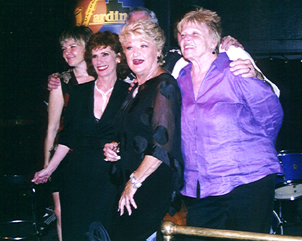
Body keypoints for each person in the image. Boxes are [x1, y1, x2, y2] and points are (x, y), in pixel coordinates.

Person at [176, 7, 283, 239]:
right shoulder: (179, 79)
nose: (186, 39)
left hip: (247, 181)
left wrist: (253, 151)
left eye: (195, 33)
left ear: (214, 39)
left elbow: (271, 114)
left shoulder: (235, 70)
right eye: (182, 34)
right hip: (200, 186)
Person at [32, 31, 130, 240]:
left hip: (110, 175)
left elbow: (132, 136)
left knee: (106, 232)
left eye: (105, 54)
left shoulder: (130, 92)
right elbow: (68, 137)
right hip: (77, 173)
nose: (99, 61)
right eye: (94, 56)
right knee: (75, 230)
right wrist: (48, 169)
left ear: (118, 57)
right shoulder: (79, 92)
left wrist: (119, 147)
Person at [47, 6, 270, 93]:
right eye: (132, 30)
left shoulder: (182, 59)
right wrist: (61, 77)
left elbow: (270, 97)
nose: (138, 36)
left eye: (144, 31)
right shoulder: (123, 66)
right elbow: (94, 70)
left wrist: (256, 74)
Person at [104, 20, 183, 241]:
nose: (135, 53)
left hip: (147, 184)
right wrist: (113, 146)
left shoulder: (164, 84)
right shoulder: (136, 87)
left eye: (143, 46)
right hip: (131, 181)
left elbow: (161, 145)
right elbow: (134, 134)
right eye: (129, 47)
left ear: (158, 50)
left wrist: (134, 183)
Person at [43, 25, 94, 241]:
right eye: (64, 48)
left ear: (88, 47)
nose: (67, 52)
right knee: (61, 212)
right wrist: (47, 165)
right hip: (64, 156)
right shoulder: (60, 82)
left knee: (91, 213)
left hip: (94, 156)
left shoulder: (105, 77)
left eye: (73, 46)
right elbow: (53, 128)